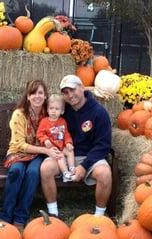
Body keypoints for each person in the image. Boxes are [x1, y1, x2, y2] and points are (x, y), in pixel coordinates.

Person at [40, 74, 113, 217]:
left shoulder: (99, 112)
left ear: (82, 87)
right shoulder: (63, 110)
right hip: (64, 156)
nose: (70, 95)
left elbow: (103, 146)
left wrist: (84, 166)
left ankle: (99, 216)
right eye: (66, 93)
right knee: (45, 168)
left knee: (105, 174)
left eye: (73, 90)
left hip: (90, 157)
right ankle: (53, 213)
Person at [0, 80, 63, 230]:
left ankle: (20, 217)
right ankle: (6, 216)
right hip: (18, 152)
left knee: (33, 172)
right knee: (16, 171)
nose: (37, 96)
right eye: (33, 93)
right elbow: (19, 144)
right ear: (27, 96)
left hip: (38, 155)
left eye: (40, 93)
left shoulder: (50, 114)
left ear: (45, 95)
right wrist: (46, 151)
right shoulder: (19, 114)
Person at [36, 94, 76, 182]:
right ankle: (65, 173)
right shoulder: (44, 121)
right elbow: (39, 134)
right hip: (52, 148)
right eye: (51, 108)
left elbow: (66, 134)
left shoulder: (62, 121)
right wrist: (45, 139)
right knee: (60, 156)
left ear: (62, 111)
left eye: (57, 109)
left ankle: (72, 168)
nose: (53, 111)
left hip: (62, 146)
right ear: (47, 109)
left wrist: (68, 143)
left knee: (70, 151)